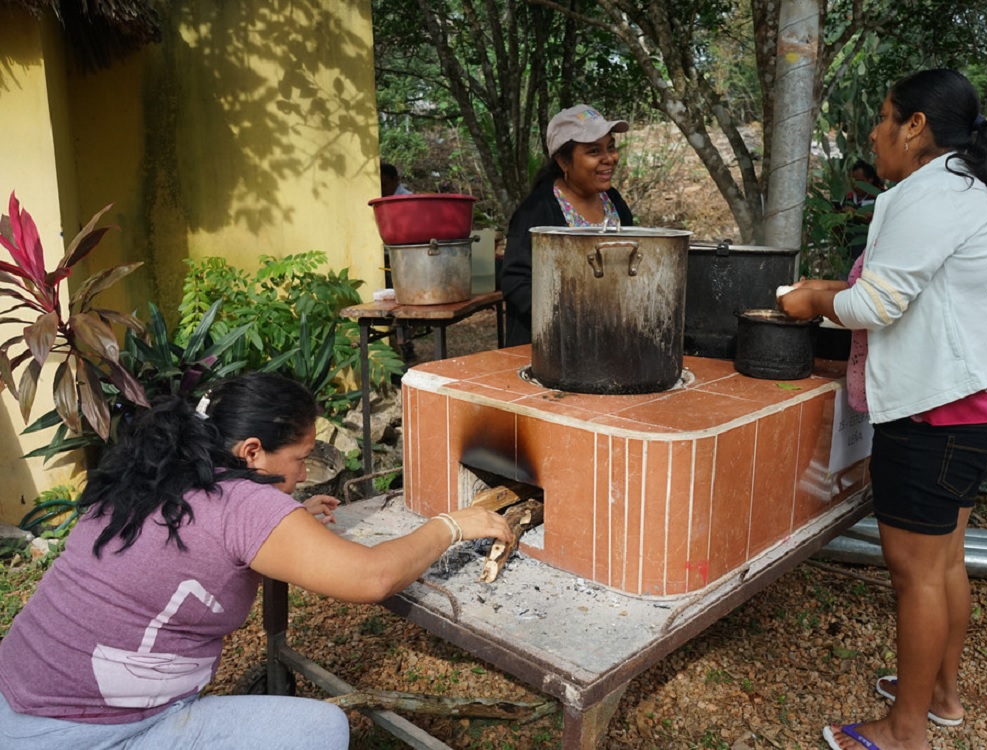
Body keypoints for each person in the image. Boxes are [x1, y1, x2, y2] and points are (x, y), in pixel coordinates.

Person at [0, 372, 512, 749]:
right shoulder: (242, 504)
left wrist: (285, 517)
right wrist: (452, 525)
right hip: (82, 733)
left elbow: (206, 538)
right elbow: (373, 577)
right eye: (299, 458)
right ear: (251, 451)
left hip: (16, 697)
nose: (304, 470)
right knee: (321, 731)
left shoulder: (159, 471)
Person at [778, 69, 987, 750]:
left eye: (882, 117)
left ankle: (903, 732)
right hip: (972, 407)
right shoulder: (967, 190)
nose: (873, 132)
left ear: (914, 126)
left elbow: (876, 305)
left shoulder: (928, 192)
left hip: (934, 415)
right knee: (943, 563)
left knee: (915, 573)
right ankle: (939, 696)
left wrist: (815, 300)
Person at [500, 104, 634, 346]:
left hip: (607, 339)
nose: (609, 158)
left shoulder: (613, 201)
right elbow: (515, 280)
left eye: (610, 147)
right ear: (563, 161)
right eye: (594, 151)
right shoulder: (537, 210)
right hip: (551, 345)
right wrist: (566, 319)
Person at [836, 159, 885, 266]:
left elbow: (878, 220)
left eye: (860, 181)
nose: (855, 186)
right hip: (848, 255)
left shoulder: (881, 198)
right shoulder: (848, 198)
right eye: (853, 181)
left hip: (871, 258)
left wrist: (855, 213)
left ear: (870, 180)